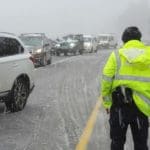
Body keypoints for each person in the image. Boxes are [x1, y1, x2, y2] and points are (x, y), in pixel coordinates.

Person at [101, 26, 150, 150]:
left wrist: (107, 102)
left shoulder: (117, 55)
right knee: (141, 143)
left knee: (117, 142)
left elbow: (106, 80)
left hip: (120, 106)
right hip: (142, 107)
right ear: (139, 39)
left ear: (124, 40)